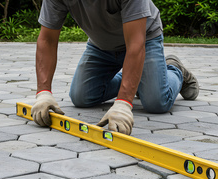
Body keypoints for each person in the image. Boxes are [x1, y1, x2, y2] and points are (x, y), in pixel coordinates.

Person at [31, 0, 199, 135]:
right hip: (101, 46)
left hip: (144, 39)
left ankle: (175, 70)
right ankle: (138, 82)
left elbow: (135, 44)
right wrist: (43, 93)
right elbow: (47, 39)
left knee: (156, 103)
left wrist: (124, 103)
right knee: (81, 97)